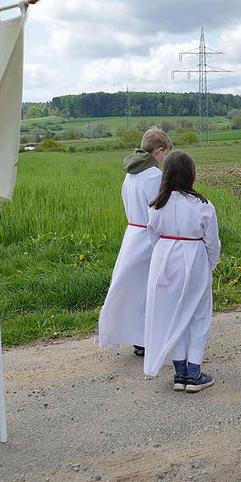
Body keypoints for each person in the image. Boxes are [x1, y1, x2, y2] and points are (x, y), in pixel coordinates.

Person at [142, 151, 222, 392]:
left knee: (171, 314)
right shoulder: (203, 205)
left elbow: (152, 238)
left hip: (164, 261)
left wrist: (165, 255)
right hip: (194, 256)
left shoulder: (156, 206)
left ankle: (180, 373)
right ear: (191, 174)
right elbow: (213, 242)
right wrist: (210, 264)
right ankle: (194, 372)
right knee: (198, 314)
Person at [97, 128, 171, 355]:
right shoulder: (153, 176)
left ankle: (140, 338)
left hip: (133, 234)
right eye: (165, 154)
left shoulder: (130, 174)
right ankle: (147, 339)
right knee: (150, 290)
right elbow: (159, 210)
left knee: (134, 290)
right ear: (158, 150)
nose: (164, 159)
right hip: (148, 237)